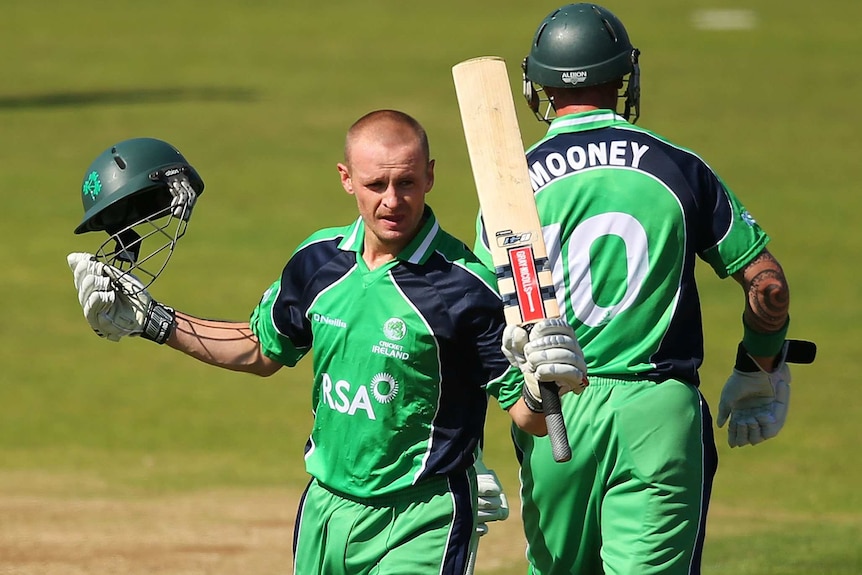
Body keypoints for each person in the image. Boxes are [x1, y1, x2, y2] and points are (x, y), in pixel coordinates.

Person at [67, 110, 587, 575]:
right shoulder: (318, 262)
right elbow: (259, 348)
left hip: (421, 517)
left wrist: (544, 386)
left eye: (406, 182)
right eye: (375, 184)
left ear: (430, 175)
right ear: (346, 180)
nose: (391, 201)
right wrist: (153, 321)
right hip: (325, 509)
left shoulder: (464, 287)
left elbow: (531, 418)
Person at [473, 5, 815, 574]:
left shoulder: (511, 186)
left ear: (539, 86)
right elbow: (769, 286)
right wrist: (761, 364)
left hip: (555, 407)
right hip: (659, 414)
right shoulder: (679, 169)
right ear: (623, 77)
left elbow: (479, 319)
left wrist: (472, 444)